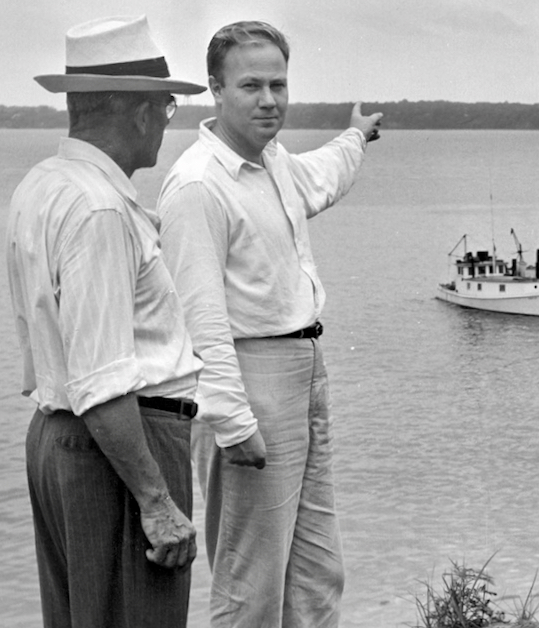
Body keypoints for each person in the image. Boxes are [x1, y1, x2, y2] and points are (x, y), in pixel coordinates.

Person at [158, 20, 382, 627]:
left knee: (316, 570)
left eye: (279, 84)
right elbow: (199, 320)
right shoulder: (199, 187)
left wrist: (356, 138)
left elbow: (322, 176)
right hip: (249, 382)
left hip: (305, 370)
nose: (269, 99)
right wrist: (233, 422)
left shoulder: (273, 163)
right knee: (250, 581)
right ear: (215, 89)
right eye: (251, 85)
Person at [5, 16, 207, 628]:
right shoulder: (99, 209)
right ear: (138, 111)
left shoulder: (44, 185)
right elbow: (101, 378)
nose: (166, 125)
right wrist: (156, 501)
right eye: (167, 107)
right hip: (119, 447)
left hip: (59, 439)